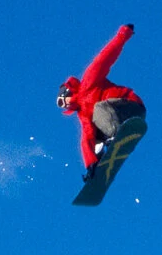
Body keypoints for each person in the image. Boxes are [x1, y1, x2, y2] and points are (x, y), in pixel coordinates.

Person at [57, 25, 146, 177]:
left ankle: (115, 135)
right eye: (61, 105)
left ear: (68, 92)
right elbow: (86, 139)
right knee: (92, 136)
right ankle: (98, 164)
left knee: (99, 109)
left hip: (130, 107)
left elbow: (105, 58)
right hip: (112, 120)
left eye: (62, 100)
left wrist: (122, 35)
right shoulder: (83, 113)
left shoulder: (88, 81)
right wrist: (90, 163)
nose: (64, 105)